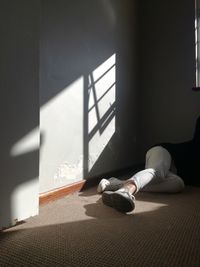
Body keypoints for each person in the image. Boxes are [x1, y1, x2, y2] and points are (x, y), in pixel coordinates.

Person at [97, 116, 200, 213]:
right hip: (163, 151)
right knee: (158, 172)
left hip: (172, 172)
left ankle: (116, 184)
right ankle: (125, 190)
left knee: (178, 184)